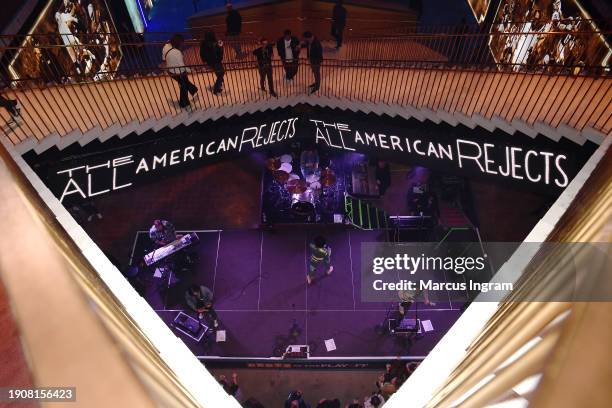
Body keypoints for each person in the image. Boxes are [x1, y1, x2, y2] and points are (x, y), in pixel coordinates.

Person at [163, 34, 198, 108]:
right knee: (184, 87)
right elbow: (182, 67)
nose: (182, 45)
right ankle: (185, 102)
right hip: (179, 73)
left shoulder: (165, 47)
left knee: (183, 85)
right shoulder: (177, 52)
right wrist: (191, 70)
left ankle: (192, 91)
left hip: (170, 72)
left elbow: (163, 58)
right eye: (182, 43)